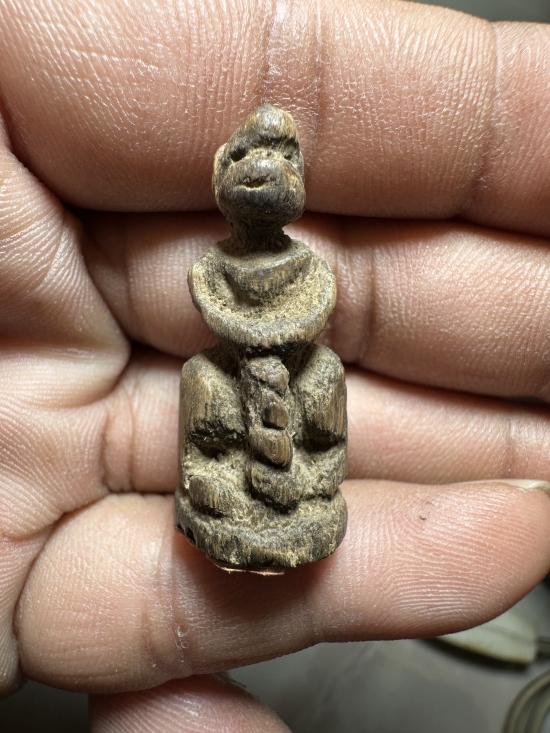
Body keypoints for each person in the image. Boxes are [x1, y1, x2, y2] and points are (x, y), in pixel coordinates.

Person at [0, 0, 549, 730]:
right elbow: (202, 452)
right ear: (219, 175)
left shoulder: (317, 345)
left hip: (294, 443)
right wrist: (226, 474)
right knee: (210, 426)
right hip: (231, 435)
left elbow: (326, 444)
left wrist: (294, 472)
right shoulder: (207, 350)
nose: (262, 171)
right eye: (243, 160)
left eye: (281, 160)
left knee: (313, 419)